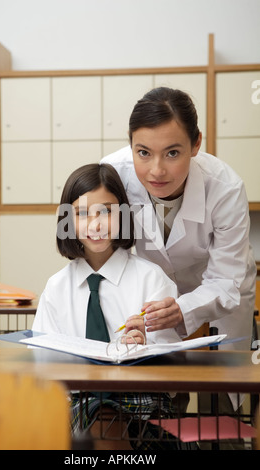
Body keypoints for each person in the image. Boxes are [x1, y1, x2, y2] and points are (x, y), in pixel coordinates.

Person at [101, 87, 257, 413]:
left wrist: (183, 309)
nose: (156, 170)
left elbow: (227, 280)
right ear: (130, 145)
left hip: (217, 298)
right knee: (155, 405)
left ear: (196, 143)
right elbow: (103, 254)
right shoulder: (112, 175)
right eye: (143, 152)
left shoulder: (225, 188)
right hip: (149, 300)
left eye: (172, 153)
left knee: (219, 411)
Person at [32, 162, 182, 450]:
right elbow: (42, 366)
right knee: (100, 415)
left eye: (107, 212)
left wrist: (145, 345)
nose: (96, 224)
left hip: (145, 408)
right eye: (82, 214)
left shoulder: (151, 279)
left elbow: (173, 375)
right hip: (77, 406)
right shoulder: (57, 288)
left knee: (106, 418)